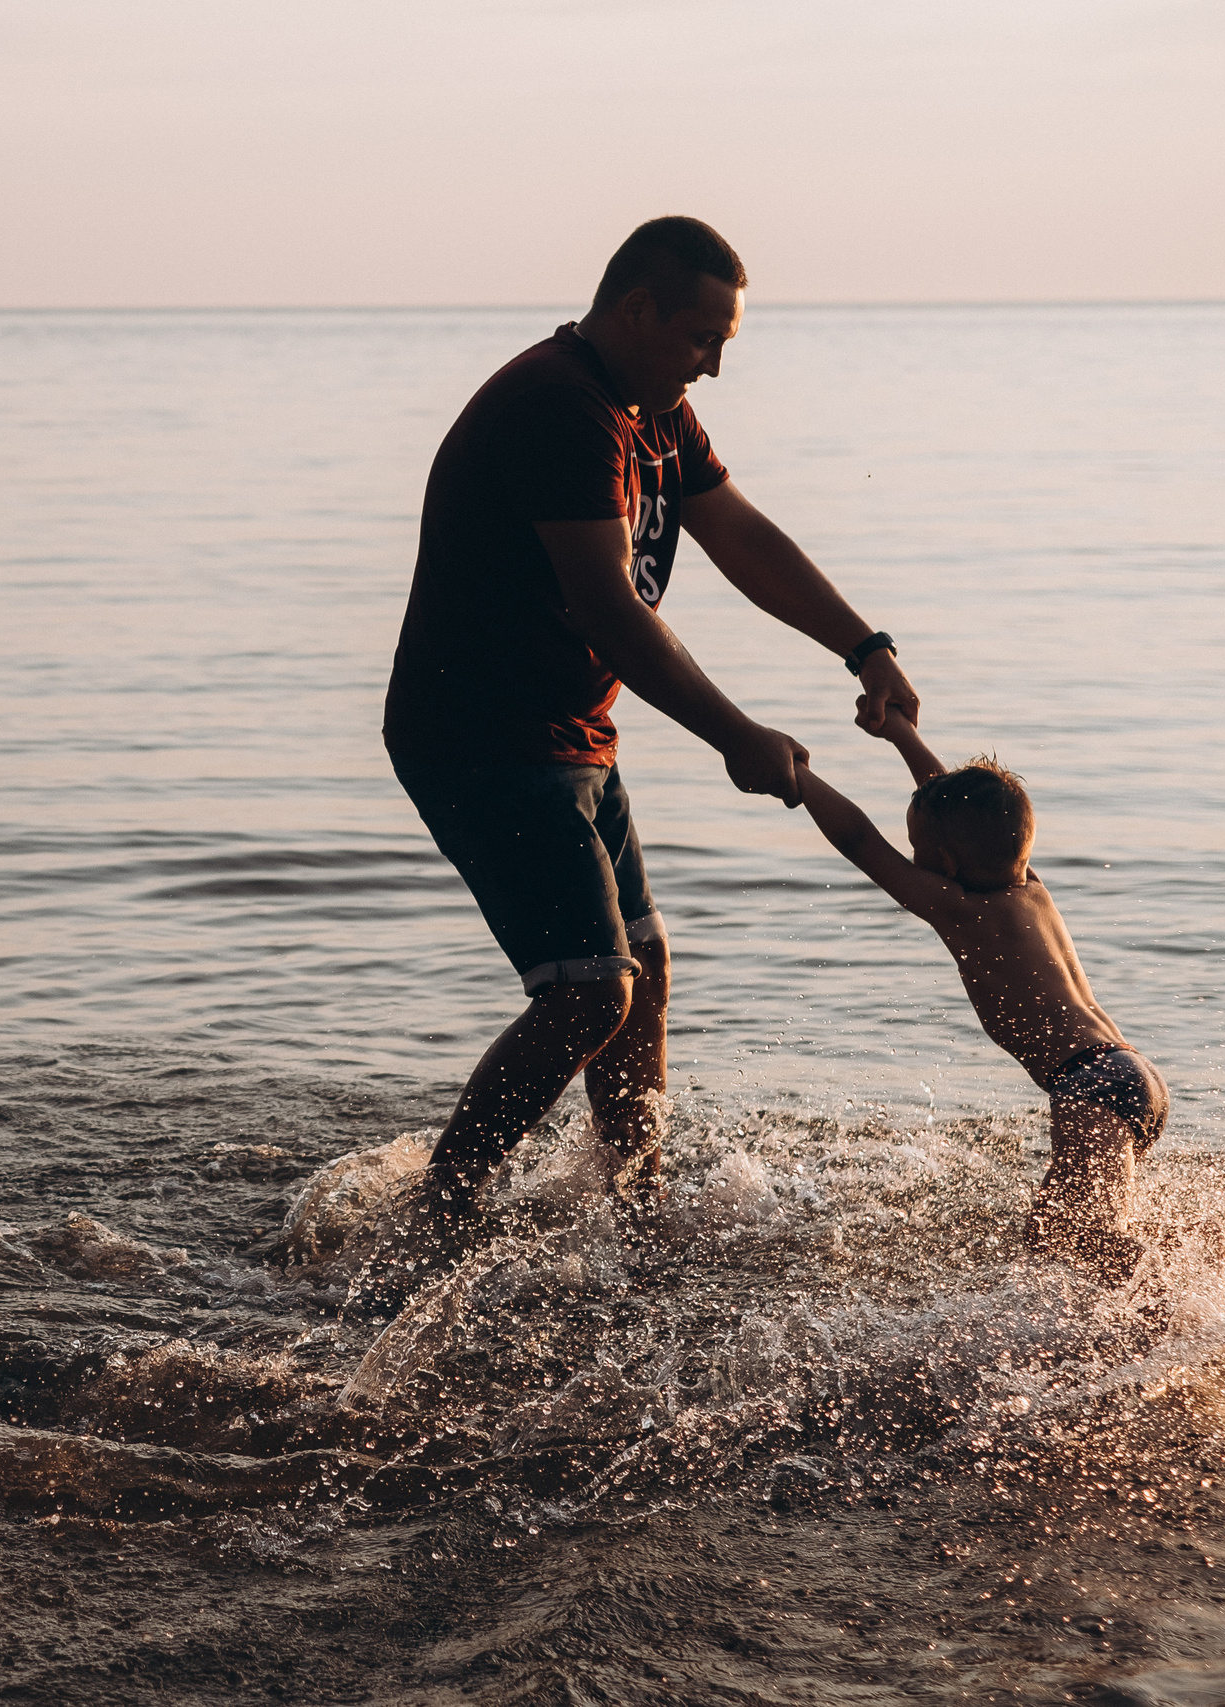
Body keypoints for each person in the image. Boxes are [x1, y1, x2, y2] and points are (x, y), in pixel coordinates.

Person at [366, 216, 919, 1308]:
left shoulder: (649, 406)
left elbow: (742, 535)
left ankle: (638, 1196)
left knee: (641, 977)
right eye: (700, 337)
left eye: (723, 342)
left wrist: (864, 644)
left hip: (568, 733)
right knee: (585, 997)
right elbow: (609, 611)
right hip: (478, 736)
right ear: (636, 311)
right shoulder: (558, 408)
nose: (713, 362)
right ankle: (438, 1214)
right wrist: (739, 737)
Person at [793, 715, 1165, 1283]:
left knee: (1073, 1236)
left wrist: (799, 778)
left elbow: (861, 841)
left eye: (919, 847)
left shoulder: (962, 910)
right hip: (1132, 1072)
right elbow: (960, 811)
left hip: (1087, 1085)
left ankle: (1179, 1301)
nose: (914, 856)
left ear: (944, 864)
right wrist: (901, 735)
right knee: (1064, 1230)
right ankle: (1180, 1275)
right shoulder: (1029, 885)